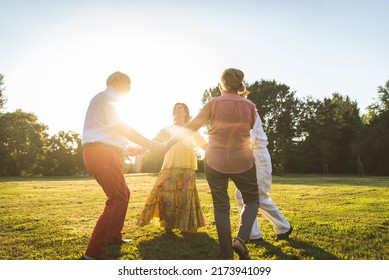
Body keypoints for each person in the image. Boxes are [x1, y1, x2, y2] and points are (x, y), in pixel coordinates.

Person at [164, 68, 259, 260]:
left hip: (215, 160)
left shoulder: (214, 102)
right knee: (252, 200)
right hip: (243, 160)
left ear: (222, 83)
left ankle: (226, 255)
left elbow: (191, 127)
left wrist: (168, 143)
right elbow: (249, 129)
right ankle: (241, 239)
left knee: (221, 206)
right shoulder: (250, 106)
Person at [81, 71, 164, 260]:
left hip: (99, 151)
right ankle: (92, 253)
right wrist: (151, 145)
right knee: (117, 198)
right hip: (102, 153)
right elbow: (121, 128)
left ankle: (112, 237)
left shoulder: (102, 98)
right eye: (129, 85)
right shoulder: (111, 98)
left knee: (123, 194)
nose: (130, 89)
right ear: (119, 83)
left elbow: (104, 131)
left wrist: (126, 149)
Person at [137, 103, 207, 233]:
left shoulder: (191, 128)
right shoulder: (168, 129)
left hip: (187, 166)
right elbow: (155, 140)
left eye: (179, 108)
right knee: (166, 195)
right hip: (170, 164)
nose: (176, 110)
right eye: (174, 109)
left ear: (186, 112)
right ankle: (167, 223)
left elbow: (204, 144)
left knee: (185, 197)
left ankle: (184, 225)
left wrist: (220, 151)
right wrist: (142, 147)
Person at [235, 111, 292, 242]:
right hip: (248, 156)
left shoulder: (248, 110)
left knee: (258, 195)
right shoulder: (236, 112)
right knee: (241, 194)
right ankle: (253, 234)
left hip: (258, 155)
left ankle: (283, 227)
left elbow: (250, 138)